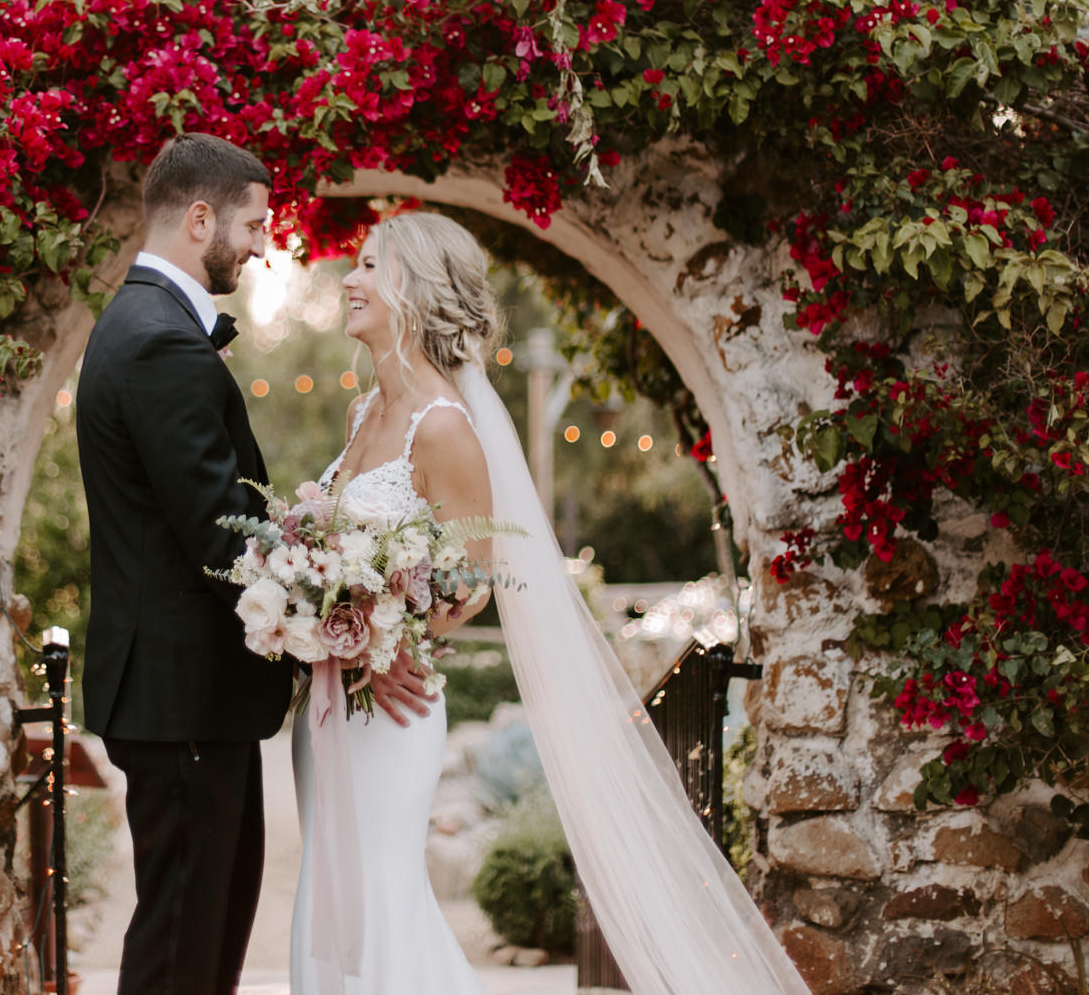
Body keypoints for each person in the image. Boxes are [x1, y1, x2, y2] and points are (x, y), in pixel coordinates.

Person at [292, 210, 813, 995]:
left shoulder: (443, 429)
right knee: (328, 896)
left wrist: (380, 640)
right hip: (331, 702)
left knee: (378, 896)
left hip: (391, 707)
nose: (351, 280)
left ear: (418, 289)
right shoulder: (364, 410)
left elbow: (469, 583)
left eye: (370, 266)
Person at [76, 133, 291, 995]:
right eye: (254, 222)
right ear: (199, 217)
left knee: (201, 939)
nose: (263, 243)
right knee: (181, 948)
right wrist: (330, 586)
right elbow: (220, 530)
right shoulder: (159, 339)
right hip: (184, 695)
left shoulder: (145, 324)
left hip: (185, 697)